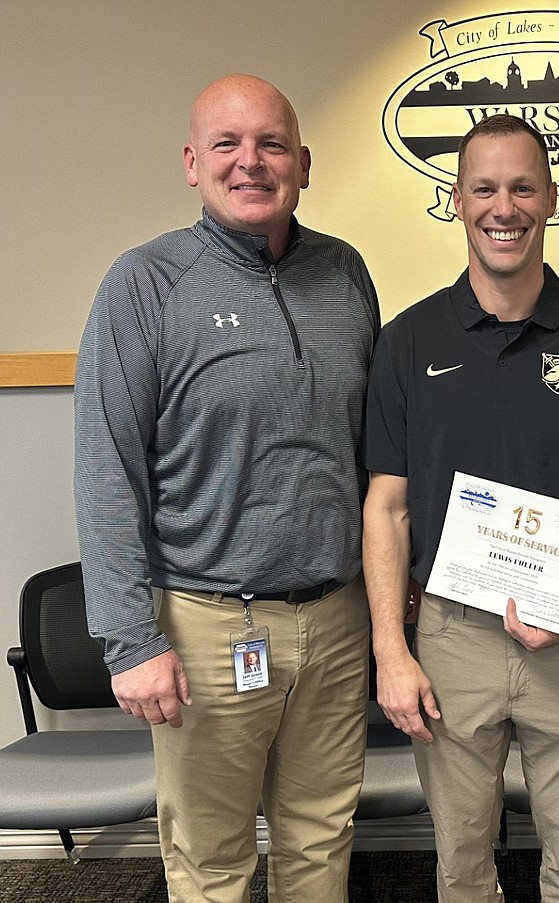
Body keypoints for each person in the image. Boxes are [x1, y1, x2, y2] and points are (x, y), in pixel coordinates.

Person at [74, 74, 380, 903]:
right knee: (211, 861)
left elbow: (371, 452)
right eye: (227, 144)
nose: (252, 162)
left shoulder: (345, 273)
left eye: (272, 144)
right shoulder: (144, 283)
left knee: (323, 838)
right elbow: (107, 470)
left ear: (304, 163)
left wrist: (396, 584)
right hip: (209, 624)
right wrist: (130, 640)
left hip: (338, 615)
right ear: (191, 163)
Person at [362, 114, 559, 903]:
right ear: (458, 202)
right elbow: (387, 507)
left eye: (523, 186)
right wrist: (391, 652)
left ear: (552, 198)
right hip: (449, 635)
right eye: (485, 188)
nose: (505, 207)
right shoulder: (405, 343)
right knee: (462, 864)